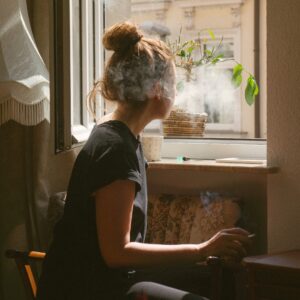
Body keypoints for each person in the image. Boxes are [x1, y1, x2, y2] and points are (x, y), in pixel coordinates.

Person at [37, 22, 251, 300]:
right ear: (157, 89)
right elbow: (117, 253)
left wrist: (204, 256)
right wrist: (202, 249)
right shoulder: (115, 149)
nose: (177, 93)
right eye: (174, 84)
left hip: (104, 281)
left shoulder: (119, 137)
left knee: (214, 278)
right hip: (88, 290)